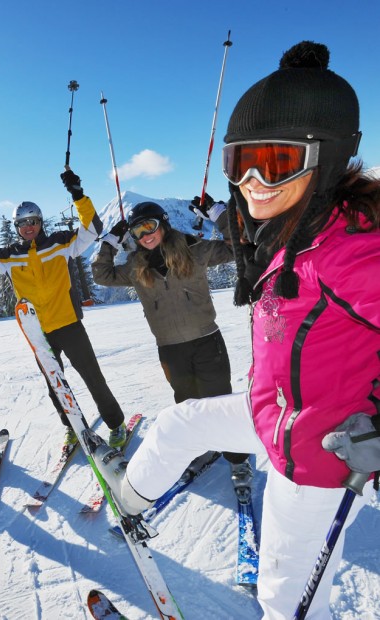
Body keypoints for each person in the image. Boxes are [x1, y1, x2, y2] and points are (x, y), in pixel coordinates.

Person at [92, 41, 380, 619]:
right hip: (276, 411)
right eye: (238, 162)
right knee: (177, 423)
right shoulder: (293, 231)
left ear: (323, 158)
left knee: (284, 601)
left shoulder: (352, 250)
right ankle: (129, 499)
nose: (251, 180)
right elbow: (241, 241)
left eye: (272, 162)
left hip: (317, 456)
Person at [0, 170, 127, 448]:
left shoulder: (62, 243)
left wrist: (78, 194)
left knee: (93, 377)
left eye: (33, 221)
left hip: (69, 325)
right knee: (56, 385)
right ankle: (73, 427)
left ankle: (116, 424)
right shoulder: (9, 256)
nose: (28, 226)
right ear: (17, 226)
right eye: (22, 223)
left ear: (40, 222)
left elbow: (92, 228)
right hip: (39, 333)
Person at [91, 197, 253, 500]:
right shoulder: (135, 267)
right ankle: (200, 449)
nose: (145, 235)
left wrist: (219, 215)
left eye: (150, 226)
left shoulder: (195, 250)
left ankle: (239, 461)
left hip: (206, 341)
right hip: (170, 349)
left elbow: (238, 246)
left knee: (221, 403)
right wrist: (110, 242)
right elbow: (101, 274)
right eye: (138, 232)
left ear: (162, 224)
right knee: (187, 406)